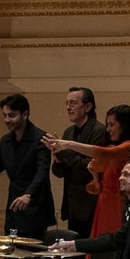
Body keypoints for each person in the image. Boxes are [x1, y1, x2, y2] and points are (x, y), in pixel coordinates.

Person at [45, 104, 130, 246]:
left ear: (124, 125)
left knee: (111, 247)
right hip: (104, 207)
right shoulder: (113, 150)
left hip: (118, 207)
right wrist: (95, 175)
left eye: (111, 125)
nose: (107, 129)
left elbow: (101, 152)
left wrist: (69, 144)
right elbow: (97, 188)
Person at [0, 94, 55, 240]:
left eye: (12, 115)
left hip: (35, 208)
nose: (7, 120)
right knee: (11, 249)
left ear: (25, 115)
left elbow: (42, 173)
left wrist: (28, 195)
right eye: (4, 115)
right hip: (14, 208)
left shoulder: (40, 139)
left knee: (31, 251)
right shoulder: (6, 141)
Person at [51, 87, 108, 236]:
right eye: (67, 103)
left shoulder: (99, 131)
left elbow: (88, 168)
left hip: (90, 206)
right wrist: (57, 159)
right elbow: (59, 173)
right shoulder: (68, 132)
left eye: (73, 103)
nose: (68, 107)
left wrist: (65, 150)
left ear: (87, 107)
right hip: (72, 207)